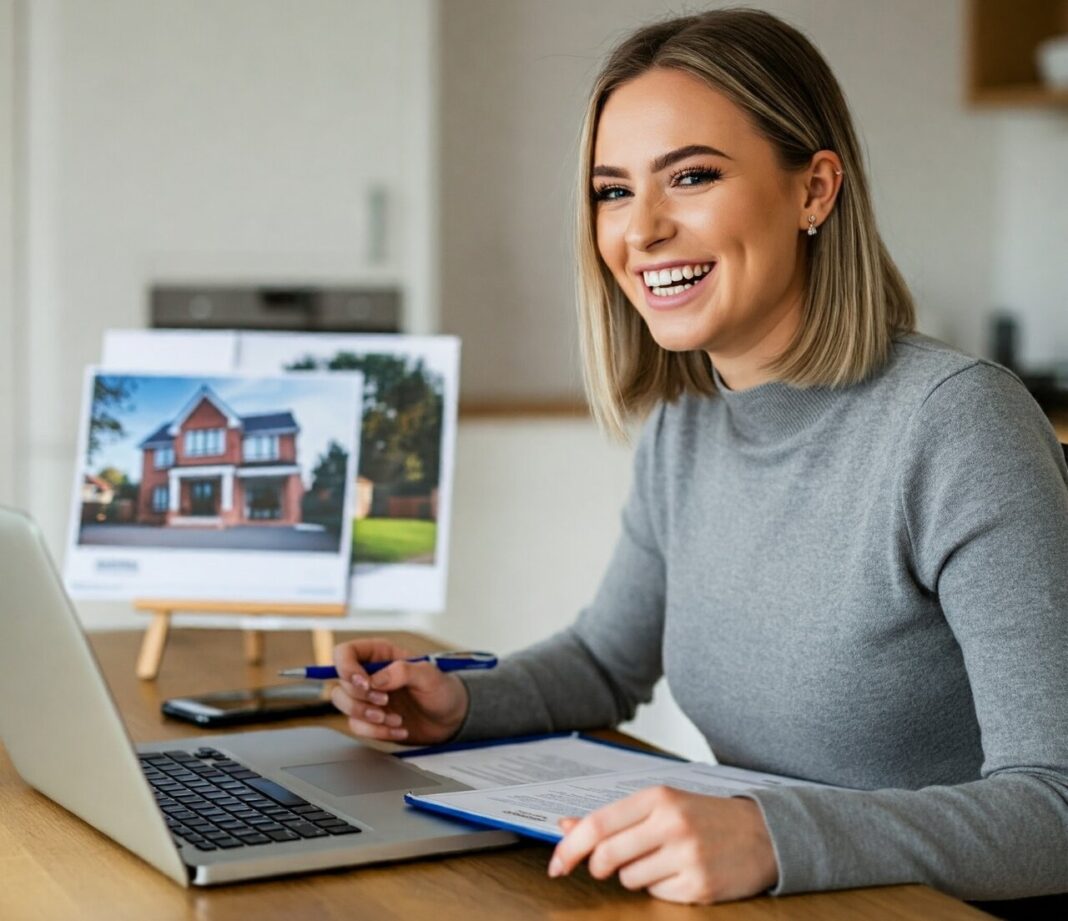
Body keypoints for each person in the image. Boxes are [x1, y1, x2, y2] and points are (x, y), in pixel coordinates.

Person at [330, 8, 1068, 910]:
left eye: (691, 176)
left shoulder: (958, 425)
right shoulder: (688, 424)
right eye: (611, 191)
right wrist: (458, 703)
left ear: (815, 191)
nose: (641, 230)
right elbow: (608, 659)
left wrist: (777, 834)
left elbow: (1055, 807)